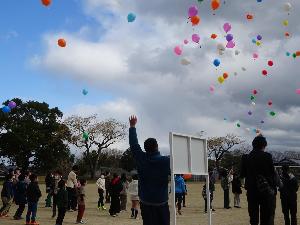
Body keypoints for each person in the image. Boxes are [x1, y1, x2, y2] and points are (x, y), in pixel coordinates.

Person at [129, 115, 170, 225]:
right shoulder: (166, 161)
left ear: (145, 148)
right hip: (161, 201)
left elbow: (133, 145)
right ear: (157, 146)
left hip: (145, 201)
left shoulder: (141, 159)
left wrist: (132, 126)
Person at [240, 135, 277, 225]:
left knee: (253, 217)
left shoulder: (245, 157)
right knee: (266, 217)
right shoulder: (267, 156)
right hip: (265, 190)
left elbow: (242, 174)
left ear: (253, 145)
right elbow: (272, 173)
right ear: (264, 145)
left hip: (252, 191)